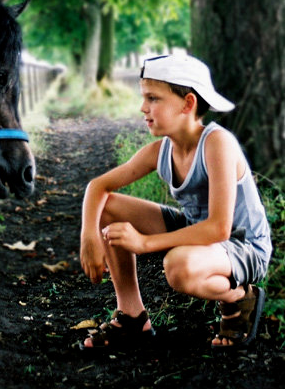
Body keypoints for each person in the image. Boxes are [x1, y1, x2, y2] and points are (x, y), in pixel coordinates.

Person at [80, 54, 272, 352]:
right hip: (198, 233)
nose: (143, 108)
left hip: (244, 247)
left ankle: (238, 298)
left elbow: (220, 228)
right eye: (144, 98)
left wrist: (144, 243)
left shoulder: (217, 143)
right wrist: (89, 235)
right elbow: (98, 186)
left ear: (188, 104)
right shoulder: (160, 151)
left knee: (178, 267)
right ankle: (131, 317)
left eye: (153, 98)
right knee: (106, 207)